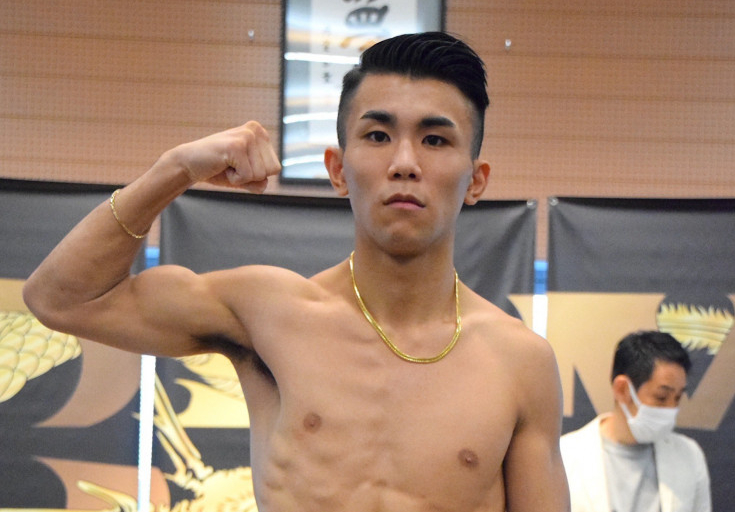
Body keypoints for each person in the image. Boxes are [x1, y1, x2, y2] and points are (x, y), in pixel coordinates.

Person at [23, 32, 569, 512]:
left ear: (476, 180)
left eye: (435, 139)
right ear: (338, 169)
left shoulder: (519, 362)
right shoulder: (268, 314)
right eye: (378, 136)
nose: (405, 162)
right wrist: (175, 169)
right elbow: (60, 299)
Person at [560, 330, 711, 512]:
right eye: (661, 397)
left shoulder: (689, 455)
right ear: (622, 389)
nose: (671, 409)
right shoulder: (565, 456)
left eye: (678, 398)